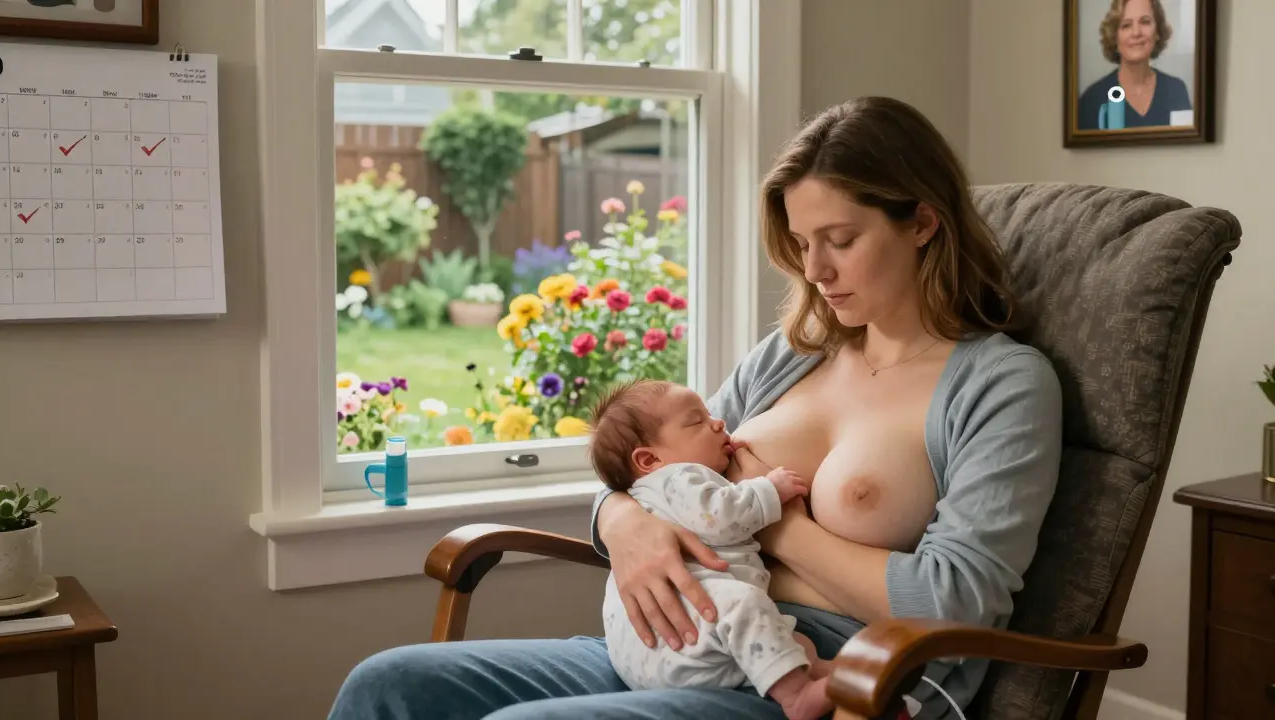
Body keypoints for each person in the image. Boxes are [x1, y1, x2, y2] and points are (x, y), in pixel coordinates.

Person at [327, 96, 1064, 720]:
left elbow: (956, 602)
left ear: (923, 224)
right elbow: (652, 470)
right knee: (386, 687)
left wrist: (774, 522)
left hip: (813, 679)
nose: (815, 270)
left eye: (841, 240)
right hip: (662, 647)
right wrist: (623, 521)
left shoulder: (999, 385)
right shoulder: (793, 354)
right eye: (804, 243)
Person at [588, 378, 830, 720]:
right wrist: (768, 489)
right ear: (649, 459)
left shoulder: (649, 492)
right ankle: (797, 696)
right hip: (687, 625)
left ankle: (826, 677)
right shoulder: (676, 477)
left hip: (651, 653)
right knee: (745, 606)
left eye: (710, 415)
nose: (719, 423)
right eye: (697, 422)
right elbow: (720, 517)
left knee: (790, 643)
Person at [1077, 0, 1192, 130]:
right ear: (1114, 36)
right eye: (1126, 25)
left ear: (1157, 32)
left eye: (1145, 22)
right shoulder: (1093, 99)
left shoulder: (1176, 90)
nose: (1136, 33)